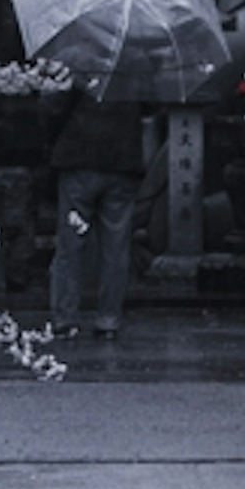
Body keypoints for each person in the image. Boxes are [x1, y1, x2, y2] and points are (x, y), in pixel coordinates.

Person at [45, 87, 147, 339]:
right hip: (123, 161)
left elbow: (51, 107)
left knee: (70, 243)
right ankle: (108, 319)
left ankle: (64, 318)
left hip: (80, 159)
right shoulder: (136, 61)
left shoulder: (77, 56)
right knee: (116, 245)